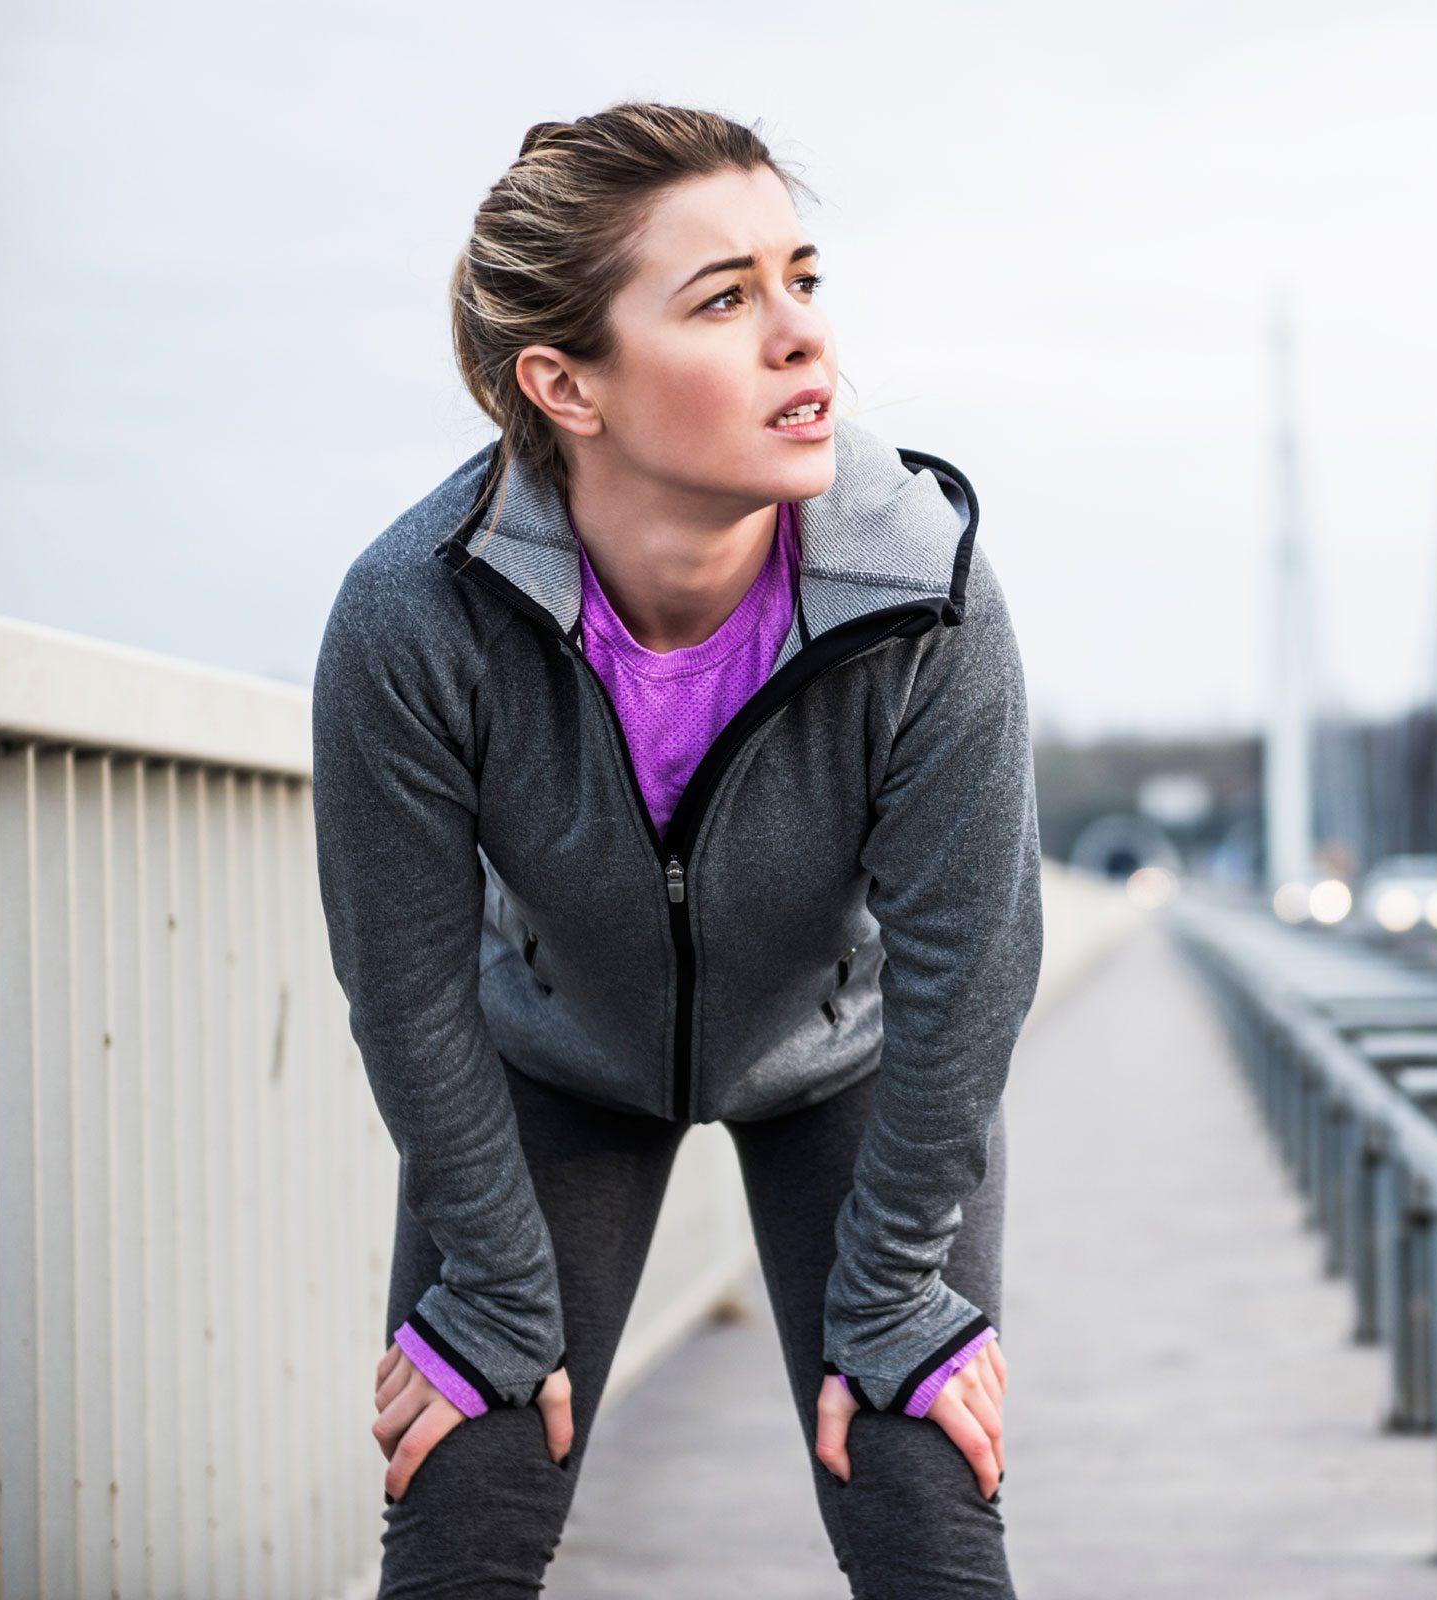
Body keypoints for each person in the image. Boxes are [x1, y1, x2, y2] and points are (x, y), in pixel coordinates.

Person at [309, 100, 1042, 1598]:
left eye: (801, 280)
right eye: (725, 298)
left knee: (921, 1483)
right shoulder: (414, 619)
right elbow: (406, 983)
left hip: (854, 1069)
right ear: (564, 382)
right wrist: (498, 1297)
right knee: (467, 1480)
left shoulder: (924, 597)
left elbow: (975, 967)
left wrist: (899, 1294)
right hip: (556, 1070)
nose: (801, 341)